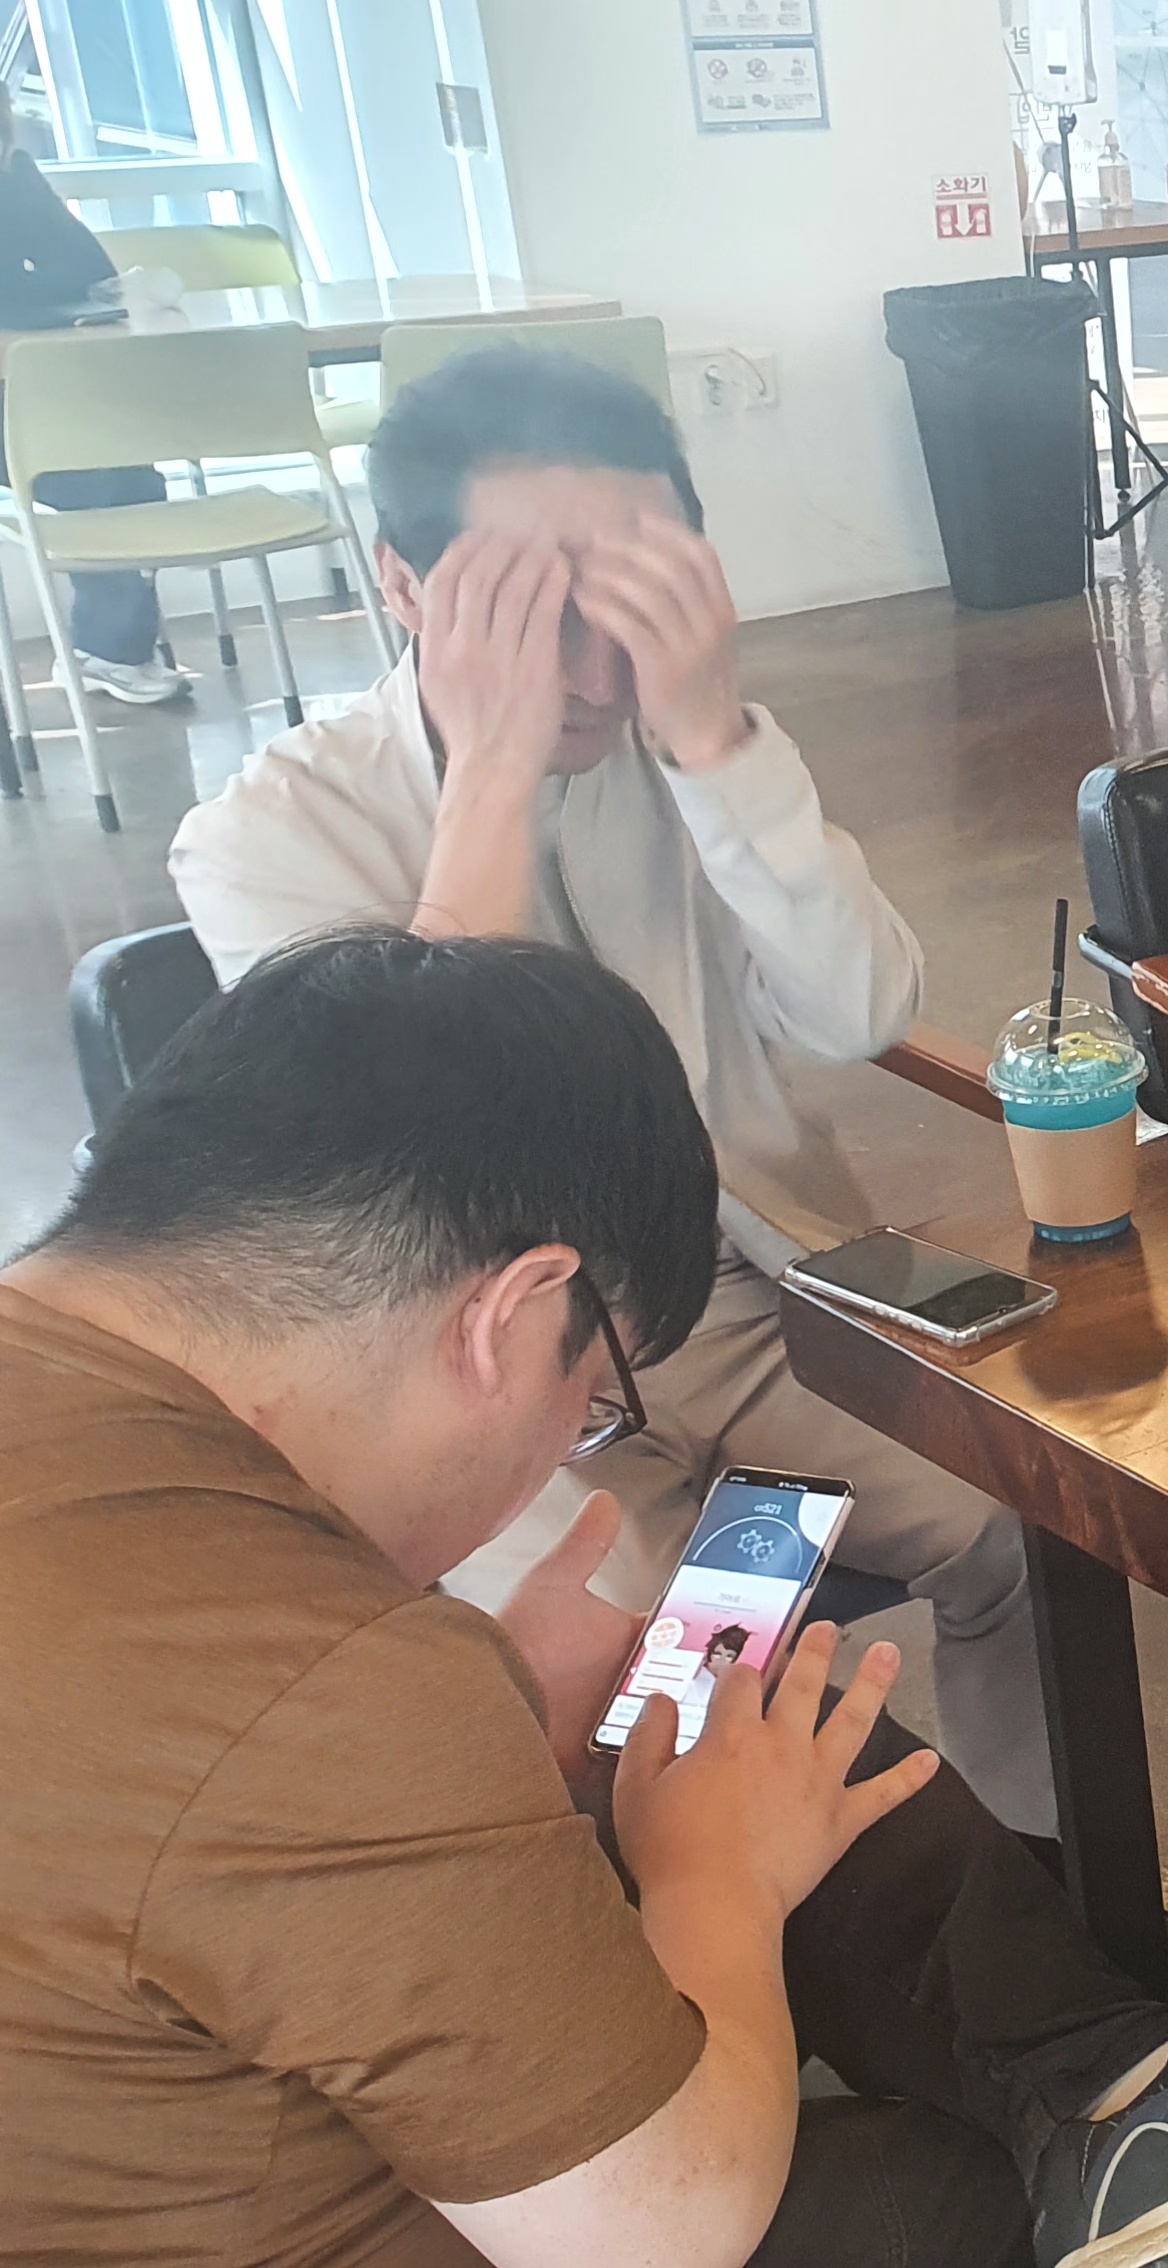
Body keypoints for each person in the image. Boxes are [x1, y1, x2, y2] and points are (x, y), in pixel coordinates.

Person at [0, 928, 1168, 2268]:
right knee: (936, 2191)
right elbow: (664, 2223)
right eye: (598, 1401)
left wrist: (487, 1709)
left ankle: (1130, 2093)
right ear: (515, 1315)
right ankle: (1110, 2162)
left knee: (727, 1714)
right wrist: (709, 1879)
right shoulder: (317, 1679)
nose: (578, 1442)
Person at [165, 343, 1061, 1840]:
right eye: (539, 615)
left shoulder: (686, 744)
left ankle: (1043, 1885)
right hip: (484, 1377)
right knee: (641, 1687)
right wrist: (492, 774)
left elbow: (862, 1010)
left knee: (1024, 1520)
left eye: (635, 603)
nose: (595, 673)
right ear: (405, 586)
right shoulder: (267, 838)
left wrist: (716, 744)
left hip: (751, 1305)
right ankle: (725, 1942)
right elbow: (443, 1165)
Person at [0, 118, 186, 706]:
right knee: (102, 472)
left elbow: (90, 274)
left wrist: (14, 183)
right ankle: (109, 648)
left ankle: (108, 650)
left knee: (119, 465)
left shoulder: (14, 177)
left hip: (29, 397)